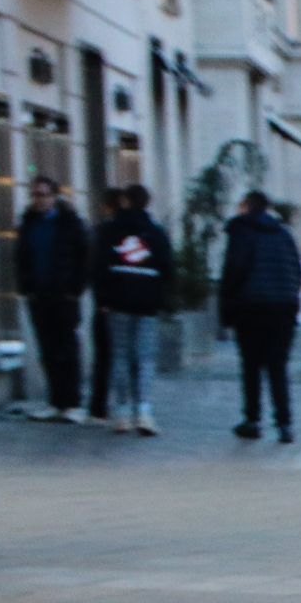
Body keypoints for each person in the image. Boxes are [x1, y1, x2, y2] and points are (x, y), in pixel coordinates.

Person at [218, 190, 301, 441]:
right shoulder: (283, 234)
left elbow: (234, 269)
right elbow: (296, 270)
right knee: (278, 367)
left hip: (252, 306)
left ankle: (253, 419)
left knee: (251, 365)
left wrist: (229, 306)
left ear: (246, 206)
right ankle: (285, 423)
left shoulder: (242, 231)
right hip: (283, 306)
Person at [91, 183, 174, 436]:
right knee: (145, 357)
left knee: (120, 355)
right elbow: (167, 268)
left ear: (125, 201)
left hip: (117, 301)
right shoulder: (156, 232)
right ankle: (145, 412)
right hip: (147, 303)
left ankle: (123, 413)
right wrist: (162, 299)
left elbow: (98, 266)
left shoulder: (110, 231)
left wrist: (102, 299)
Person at [15, 176, 91, 423]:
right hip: (40, 295)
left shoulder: (70, 223)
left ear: (54, 196)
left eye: (43, 194)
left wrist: (75, 288)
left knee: (67, 348)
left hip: (64, 295)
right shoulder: (29, 224)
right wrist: (27, 288)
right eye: (35, 195)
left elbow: (86, 256)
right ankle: (55, 400)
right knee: (47, 349)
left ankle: (73, 402)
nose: (39, 199)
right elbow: (21, 258)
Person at [87, 187, 123, 425]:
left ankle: (99, 407)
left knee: (105, 357)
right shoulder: (135, 232)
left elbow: (98, 268)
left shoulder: (103, 232)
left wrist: (102, 300)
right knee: (123, 357)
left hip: (108, 304)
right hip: (129, 303)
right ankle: (123, 407)